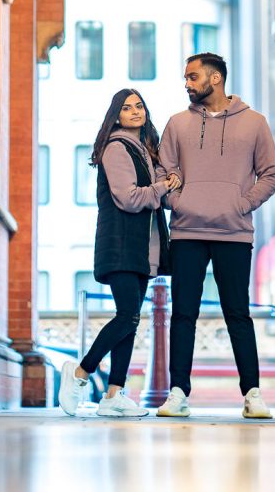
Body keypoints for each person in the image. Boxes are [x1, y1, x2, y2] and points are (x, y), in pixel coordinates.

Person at [155, 52, 275, 420]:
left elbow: (270, 175)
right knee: (184, 315)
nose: (187, 84)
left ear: (215, 79)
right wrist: (178, 202)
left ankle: (252, 394)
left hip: (234, 232)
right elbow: (164, 173)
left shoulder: (255, 123)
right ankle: (177, 393)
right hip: (187, 231)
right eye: (186, 77)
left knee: (237, 313)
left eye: (193, 77)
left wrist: (241, 205)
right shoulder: (177, 124)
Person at [58, 89, 181, 418]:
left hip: (141, 249)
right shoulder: (116, 147)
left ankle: (113, 394)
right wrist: (162, 187)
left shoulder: (144, 149)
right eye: (127, 108)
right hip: (121, 245)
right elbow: (129, 198)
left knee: (131, 319)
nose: (135, 112)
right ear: (117, 116)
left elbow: (159, 191)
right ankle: (80, 373)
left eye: (139, 106)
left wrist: (167, 181)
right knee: (127, 316)